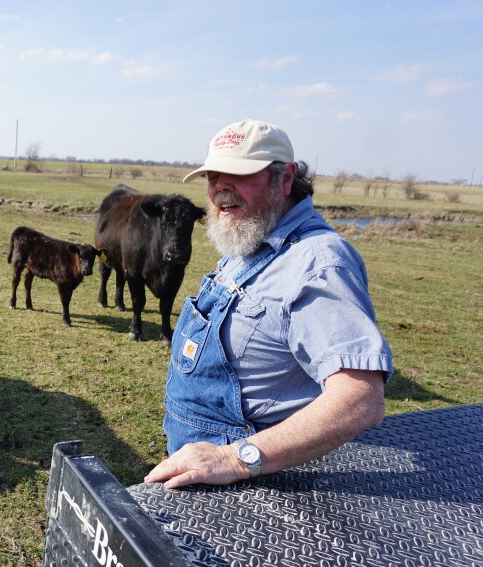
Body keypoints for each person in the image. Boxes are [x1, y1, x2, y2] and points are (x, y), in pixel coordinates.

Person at [144, 119, 394, 489]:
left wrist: (234, 458)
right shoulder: (251, 237)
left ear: (286, 178)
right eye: (213, 176)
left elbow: (360, 398)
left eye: (239, 174)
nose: (220, 190)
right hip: (202, 470)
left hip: (253, 490)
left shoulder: (318, 263)